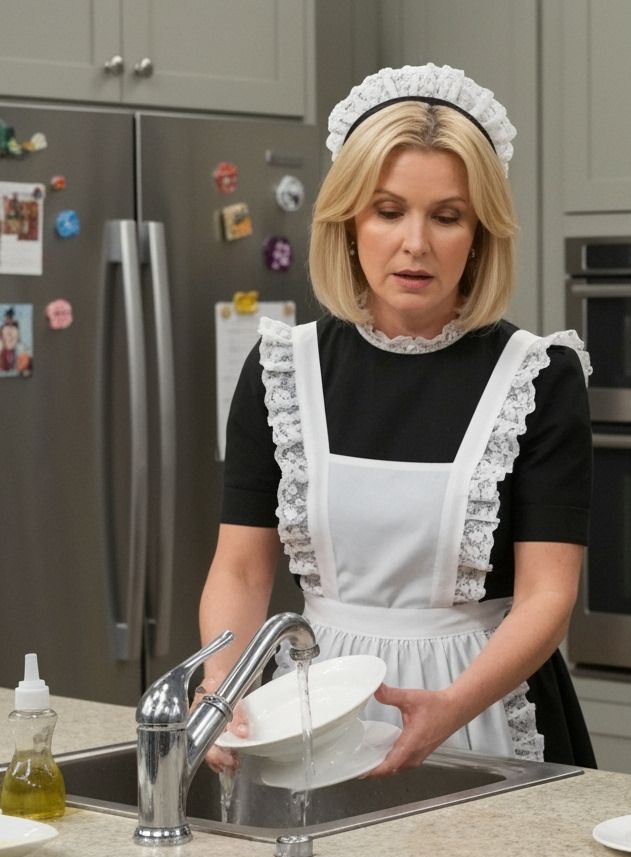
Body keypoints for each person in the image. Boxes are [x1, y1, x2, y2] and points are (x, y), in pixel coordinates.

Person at [199, 63, 595, 775]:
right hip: (310, 706)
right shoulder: (283, 369)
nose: (416, 242)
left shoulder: (538, 377)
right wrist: (220, 686)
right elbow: (239, 567)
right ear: (349, 222)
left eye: (447, 216)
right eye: (388, 211)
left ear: (480, 235)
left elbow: (548, 595)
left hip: (484, 706)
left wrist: (452, 706)